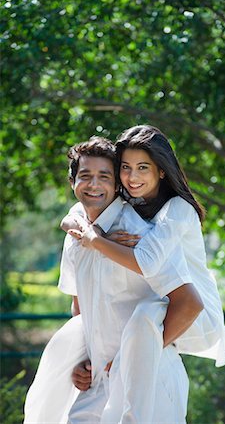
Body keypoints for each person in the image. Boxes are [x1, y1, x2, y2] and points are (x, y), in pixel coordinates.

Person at [24, 136, 204, 424]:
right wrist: (83, 360)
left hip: (151, 379)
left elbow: (191, 304)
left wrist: (131, 359)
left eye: (104, 176)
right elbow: (81, 311)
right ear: (72, 182)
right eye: (85, 176)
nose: (94, 185)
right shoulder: (75, 237)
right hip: (97, 382)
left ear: (116, 185)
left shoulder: (139, 236)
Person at [65, 126, 225, 408]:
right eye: (125, 167)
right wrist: (93, 233)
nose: (132, 177)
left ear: (161, 170)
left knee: (145, 315)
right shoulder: (130, 206)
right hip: (165, 301)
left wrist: (96, 240)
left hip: (194, 310)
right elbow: (74, 215)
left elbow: (146, 261)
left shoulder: (178, 209)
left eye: (143, 167)